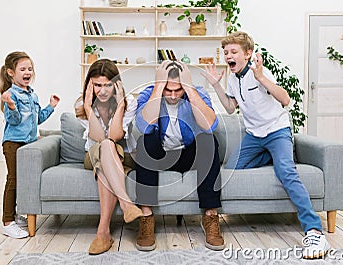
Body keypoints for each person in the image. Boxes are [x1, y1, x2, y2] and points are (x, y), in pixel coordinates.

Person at [202, 31, 331, 259]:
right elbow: (231, 108)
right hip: (254, 136)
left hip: (277, 131)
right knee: (231, 170)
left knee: (286, 172)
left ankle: (314, 230)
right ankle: (273, 156)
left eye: (233, 52)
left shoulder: (259, 72)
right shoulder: (233, 78)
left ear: (247, 54)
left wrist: (261, 77)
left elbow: (285, 99)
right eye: (226, 53)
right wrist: (216, 86)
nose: (228, 56)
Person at [134, 60, 224, 251]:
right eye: (168, 90)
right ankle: (146, 218)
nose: (173, 96)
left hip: (187, 156)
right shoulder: (148, 94)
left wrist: (189, 89)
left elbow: (209, 126)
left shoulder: (196, 93)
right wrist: (158, 87)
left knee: (209, 140)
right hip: (160, 156)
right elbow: (144, 126)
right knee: (145, 141)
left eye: (178, 90)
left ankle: (210, 216)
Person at [75, 59, 143, 255]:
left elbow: (114, 136)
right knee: (104, 146)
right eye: (97, 85)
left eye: (107, 85)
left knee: (107, 157)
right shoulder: (81, 105)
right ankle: (126, 203)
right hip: (92, 155)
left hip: (123, 156)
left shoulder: (130, 102)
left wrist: (120, 105)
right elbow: (99, 138)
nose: (102, 91)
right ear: (90, 85)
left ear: (116, 84)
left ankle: (103, 233)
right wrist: (89, 108)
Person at [0, 51, 60, 238]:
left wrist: (51, 106)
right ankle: (7, 221)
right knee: (13, 179)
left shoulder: (32, 95)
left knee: (24, 181)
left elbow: (37, 119)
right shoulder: (10, 95)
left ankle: (16, 215)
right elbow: (15, 121)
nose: (28, 72)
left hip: (29, 144)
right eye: (23, 69)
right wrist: (10, 106)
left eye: (30, 69)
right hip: (13, 143)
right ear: (11, 72)